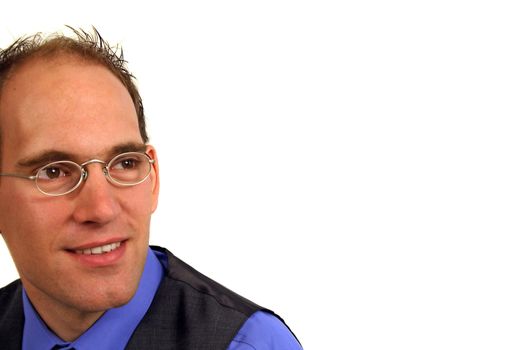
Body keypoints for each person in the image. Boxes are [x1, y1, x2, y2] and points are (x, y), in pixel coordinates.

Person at [0, 28, 301, 350]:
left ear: (153, 177)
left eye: (124, 163)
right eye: (54, 172)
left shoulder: (248, 344)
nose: (102, 208)